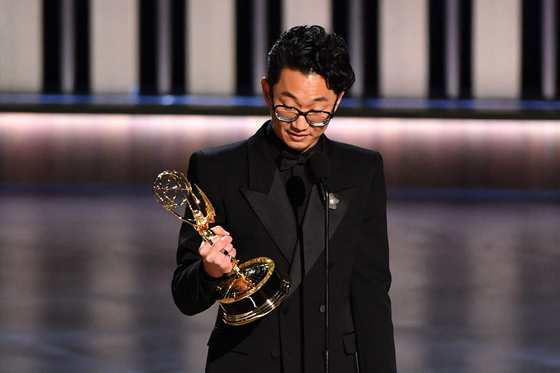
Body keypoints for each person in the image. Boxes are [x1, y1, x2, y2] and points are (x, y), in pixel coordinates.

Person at [172, 25, 396, 372]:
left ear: (337, 100)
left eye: (318, 111)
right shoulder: (218, 169)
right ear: (267, 91)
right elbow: (184, 296)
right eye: (287, 108)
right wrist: (208, 271)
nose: (300, 124)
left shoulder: (361, 170)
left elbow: (371, 293)